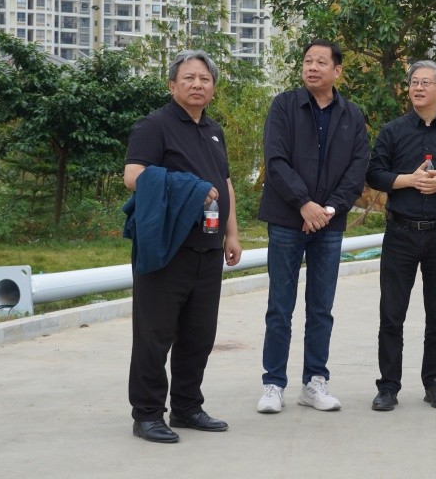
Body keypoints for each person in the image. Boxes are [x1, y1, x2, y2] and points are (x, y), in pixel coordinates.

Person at [123, 50, 242, 444]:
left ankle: (188, 407)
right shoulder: (155, 125)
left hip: (208, 248)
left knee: (198, 335)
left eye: (204, 79)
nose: (197, 85)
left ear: (213, 88)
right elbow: (133, 175)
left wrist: (232, 234)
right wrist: (189, 187)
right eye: (188, 78)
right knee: (154, 336)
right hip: (166, 248)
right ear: (172, 84)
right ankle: (147, 414)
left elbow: (225, 183)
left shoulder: (213, 129)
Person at [256, 39, 370, 414]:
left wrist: (328, 209)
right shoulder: (284, 106)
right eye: (308, 61)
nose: (312, 67)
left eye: (321, 62)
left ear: (337, 71)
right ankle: (273, 383)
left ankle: (314, 382)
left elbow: (357, 169)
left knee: (321, 308)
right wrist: (304, 204)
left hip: (329, 224)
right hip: (287, 219)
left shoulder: (352, 115)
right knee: (280, 306)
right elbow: (275, 160)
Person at [366, 60, 436, 412]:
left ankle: (435, 383)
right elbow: (374, 174)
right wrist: (408, 180)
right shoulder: (393, 132)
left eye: (426, 82)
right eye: (414, 82)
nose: (418, 88)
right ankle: (388, 386)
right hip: (400, 232)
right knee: (391, 314)